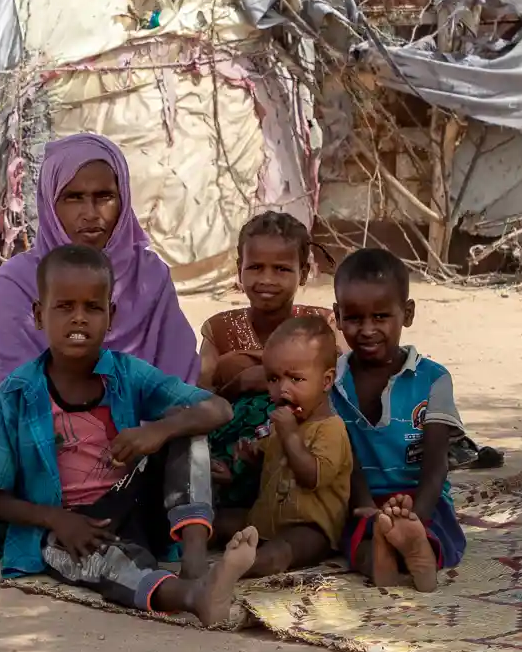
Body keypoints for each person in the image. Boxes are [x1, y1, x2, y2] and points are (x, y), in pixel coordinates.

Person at [0, 244, 256, 626]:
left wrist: (159, 430)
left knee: (188, 425)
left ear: (111, 316)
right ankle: (193, 596)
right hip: (73, 527)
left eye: (92, 307)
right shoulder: (15, 395)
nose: (79, 319)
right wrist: (57, 519)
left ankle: (194, 561)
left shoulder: (127, 373)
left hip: (136, 505)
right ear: (39, 315)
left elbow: (219, 409)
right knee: (102, 562)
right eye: (64, 307)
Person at [0, 133, 198, 411]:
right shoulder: (18, 281)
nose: (91, 213)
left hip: (143, 437)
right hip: (40, 433)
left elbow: (178, 379)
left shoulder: (150, 275)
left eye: (104, 196)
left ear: (123, 199)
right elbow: (13, 393)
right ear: (50, 204)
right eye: (73, 197)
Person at [329, 248, 467, 592]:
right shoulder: (331, 381)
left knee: (436, 533)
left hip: (423, 499)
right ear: (337, 316)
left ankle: (416, 545)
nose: (367, 329)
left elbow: (436, 465)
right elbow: (347, 460)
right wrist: (363, 505)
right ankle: (382, 557)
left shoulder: (433, 379)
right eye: (354, 319)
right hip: (365, 500)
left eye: (380, 317)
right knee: (353, 541)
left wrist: (415, 517)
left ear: (406, 314)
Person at [214, 314, 353, 578]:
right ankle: (184, 554)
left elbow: (312, 477)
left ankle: (232, 571)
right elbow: (274, 468)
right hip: (266, 518)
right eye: (273, 379)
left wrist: (290, 436)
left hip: (311, 527)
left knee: (280, 553)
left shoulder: (331, 428)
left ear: (326, 381)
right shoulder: (282, 422)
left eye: (296, 379)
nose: (282, 390)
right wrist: (250, 457)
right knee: (217, 520)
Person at [198, 210, 331, 400]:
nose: (267, 279)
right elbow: (200, 399)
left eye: (281, 269)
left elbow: (345, 384)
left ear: (302, 274)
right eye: (255, 267)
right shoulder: (219, 330)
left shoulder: (323, 325)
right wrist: (240, 383)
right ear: (239, 270)